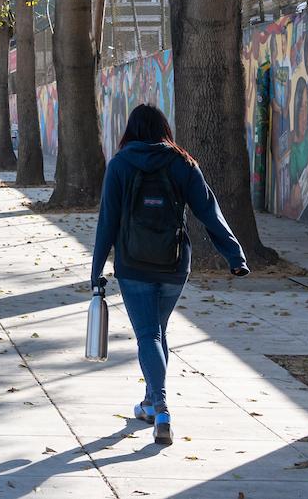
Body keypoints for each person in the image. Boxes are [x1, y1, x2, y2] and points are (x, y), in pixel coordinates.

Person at [91, 104, 250, 447]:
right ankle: (149, 402)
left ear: (130, 130)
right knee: (158, 331)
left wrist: (96, 269)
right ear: (164, 129)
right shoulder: (183, 163)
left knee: (148, 334)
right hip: (174, 265)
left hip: (133, 265)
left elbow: (108, 220)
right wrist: (234, 255)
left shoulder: (119, 164)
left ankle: (161, 408)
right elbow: (209, 211)